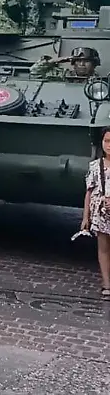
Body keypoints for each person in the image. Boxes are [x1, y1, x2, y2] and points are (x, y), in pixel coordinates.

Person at [81, 127, 110, 299]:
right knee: (104, 248)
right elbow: (89, 192)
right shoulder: (95, 166)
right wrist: (86, 216)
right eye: (106, 141)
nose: (109, 146)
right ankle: (107, 283)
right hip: (100, 212)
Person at [30, 47, 100, 81]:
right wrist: (54, 61)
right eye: (78, 61)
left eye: (87, 61)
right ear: (73, 63)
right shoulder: (64, 75)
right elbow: (34, 72)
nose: (82, 64)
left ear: (94, 65)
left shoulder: (99, 81)